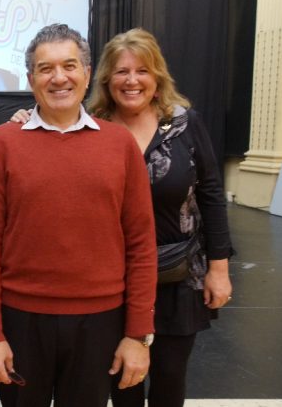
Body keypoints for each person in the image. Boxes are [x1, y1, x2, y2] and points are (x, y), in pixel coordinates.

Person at [0, 23, 157, 407]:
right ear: (30, 78)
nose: (59, 78)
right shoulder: (2, 143)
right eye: (45, 68)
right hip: (20, 321)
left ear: (87, 74)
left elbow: (141, 243)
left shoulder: (119, 144)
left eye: (69, 66)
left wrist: (138, 334)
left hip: (102, 321)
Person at [89, 28, 233, 407]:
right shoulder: (91, 128)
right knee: (122, 380)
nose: (132, 80)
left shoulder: (185, 124)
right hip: (112, 279)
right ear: (107, 79)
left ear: (157, 77)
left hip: (178, 277)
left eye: (142, 71)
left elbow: (212, 195)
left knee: (169, 377)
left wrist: (219, 269)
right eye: (121, 71)